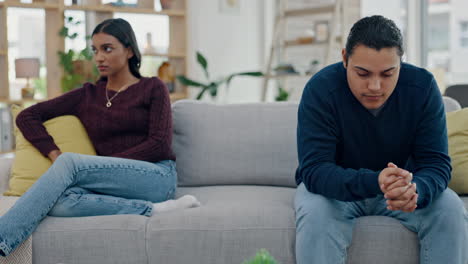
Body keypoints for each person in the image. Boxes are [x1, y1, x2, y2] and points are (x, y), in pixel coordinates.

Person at [0, 18, 200, 257]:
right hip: (110, 183)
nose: (99, 57)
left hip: (156, 176)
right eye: (94, 50)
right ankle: (153, 210)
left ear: (128, 51)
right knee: (58, 201)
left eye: (107, 48)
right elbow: (27, 115)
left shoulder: (153, 88)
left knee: (71, 164)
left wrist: (101, 168)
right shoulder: (88, 95)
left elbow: (158, 145)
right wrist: (55, 153)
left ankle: (3, 239)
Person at [295, 15, 468, 264]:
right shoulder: (321, 89)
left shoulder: (422, 87)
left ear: (401, 63)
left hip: (402, 192)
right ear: (344, 58)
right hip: (334, 191)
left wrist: (416, 189)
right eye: (362, 73)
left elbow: (437, 165)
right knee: (316, 214)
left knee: (450, 209)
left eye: (388, 73)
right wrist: (375, 181)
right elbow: (314, 170)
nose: (375, 86)